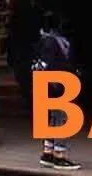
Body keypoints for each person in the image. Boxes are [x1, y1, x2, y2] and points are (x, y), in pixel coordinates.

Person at [33, 11, 81, 171]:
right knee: (62, 119)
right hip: (57, 84)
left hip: (53, 84)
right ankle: (59, 155)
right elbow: (47, 64)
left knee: (54, 117)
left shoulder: (47, 40)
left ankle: (48, 152)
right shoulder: (53, 42)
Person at [6, 0, 39, 109]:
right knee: (26, 76)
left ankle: (31, 102)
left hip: (23, 48)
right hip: (26, 47)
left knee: (24, 76)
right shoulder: (26, 8)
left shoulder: (19, 10)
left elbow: (16, 32)